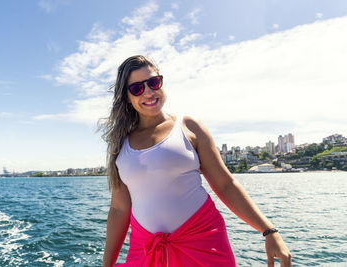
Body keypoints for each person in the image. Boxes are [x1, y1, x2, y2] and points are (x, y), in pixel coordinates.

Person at [101, 55, 291, 267]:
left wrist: (268, 230)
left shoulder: (188, 126)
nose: (148, 91)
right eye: (137, 88)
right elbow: (119, 209)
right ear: (126, 96)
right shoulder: (120, 144)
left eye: (154, 82)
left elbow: (225, 184)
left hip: (203, 243)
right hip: (146, 251)